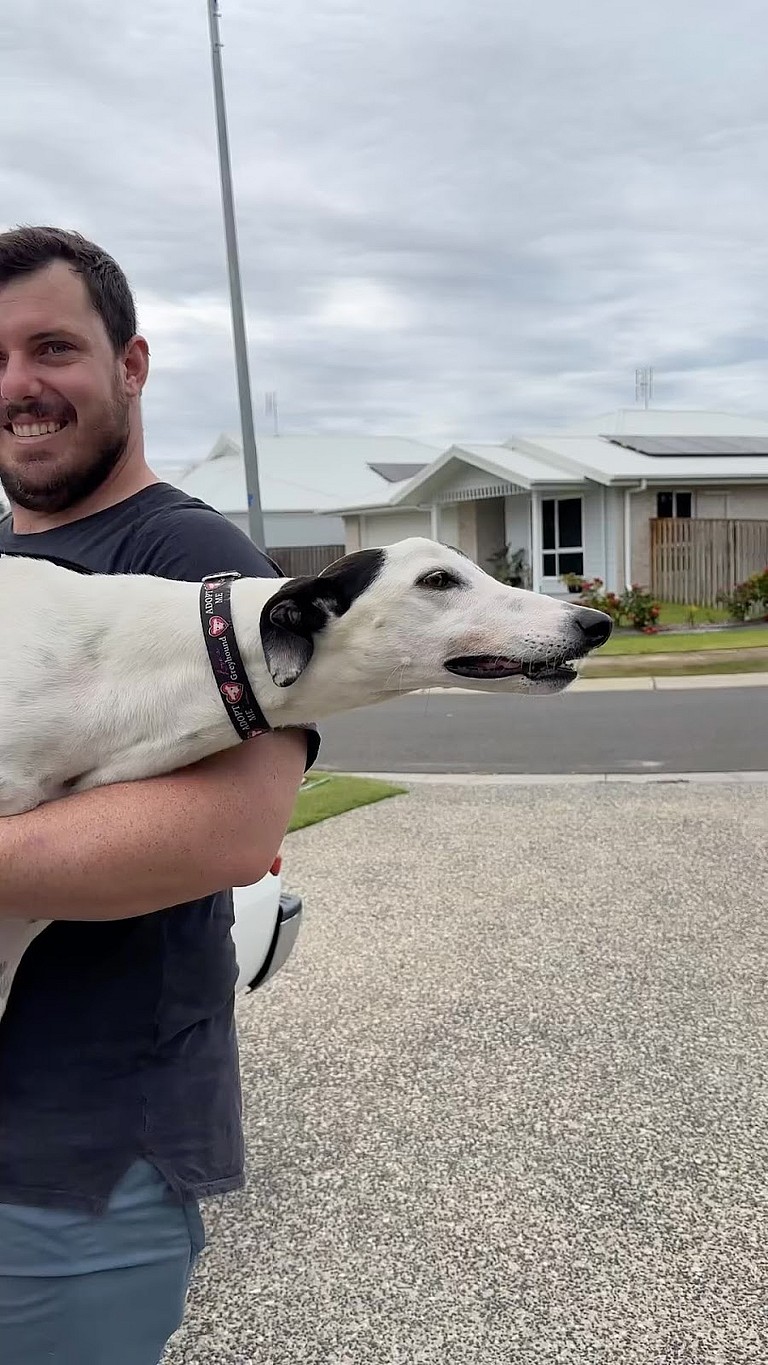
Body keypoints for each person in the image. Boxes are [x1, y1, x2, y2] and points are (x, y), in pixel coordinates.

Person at [0, 225, 318, 1364]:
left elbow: (232, 831)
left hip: (68, 1170)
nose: (18, 387)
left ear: (130, 365)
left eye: (52, 349)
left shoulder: (198, 560)